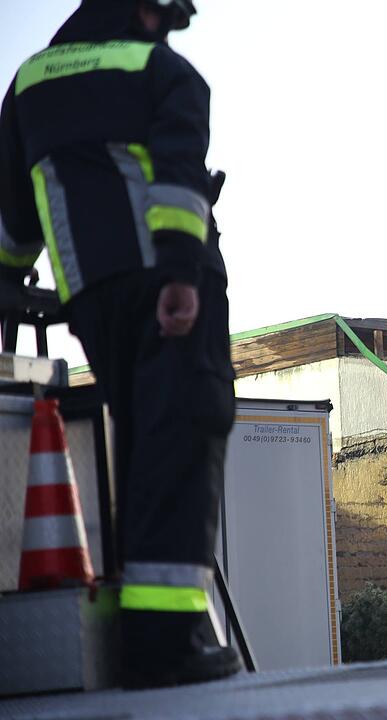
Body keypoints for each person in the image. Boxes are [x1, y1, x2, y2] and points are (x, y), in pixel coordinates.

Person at [0, 0, 240, 688]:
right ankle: (169, 641)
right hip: (170, 289)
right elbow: (176, 183)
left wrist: (10, 283)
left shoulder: (28, 82)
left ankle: (150, 630)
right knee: (185, 431)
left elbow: (14, 224)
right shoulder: (166, 74)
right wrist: (179, 275)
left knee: (141, 436)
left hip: (89, 299)